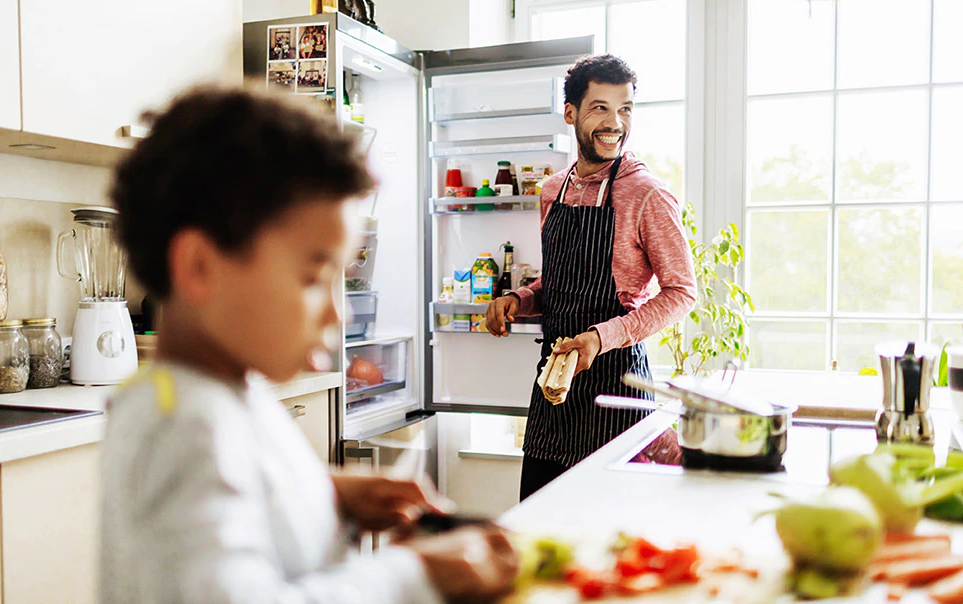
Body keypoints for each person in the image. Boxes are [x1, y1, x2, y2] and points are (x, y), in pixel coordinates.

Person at [101, 87, 519, 603]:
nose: (338, 312)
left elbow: (237, 491)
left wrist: (327, 494)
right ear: (199, 267)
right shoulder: (180, 425)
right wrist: (415, 573)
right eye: (312, 277)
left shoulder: (227, 392)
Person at [485, 55, 697, 501]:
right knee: (537, 527)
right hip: (553, 388)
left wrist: (601, 338)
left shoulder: (647, 194)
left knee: (610, 539)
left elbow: (681, 293)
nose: (615, 123)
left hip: (616, 393)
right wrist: (520, 298)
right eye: (600, 107)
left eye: (625, 109)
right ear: (570, 114)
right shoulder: (552, 189)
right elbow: (560, 281)